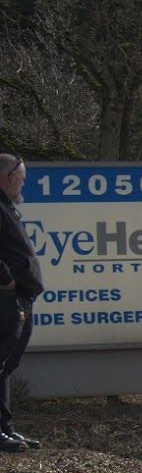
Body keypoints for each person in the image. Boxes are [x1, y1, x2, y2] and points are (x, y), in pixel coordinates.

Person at [0, 154, 42, 452]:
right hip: (6, 299)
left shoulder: (7, 209)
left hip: (20, 299)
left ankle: (5, 429)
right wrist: (6, 281)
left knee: (6, 366)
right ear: (9, 178)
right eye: (22, 179)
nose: (23, 185)